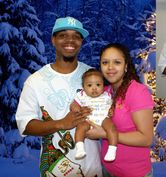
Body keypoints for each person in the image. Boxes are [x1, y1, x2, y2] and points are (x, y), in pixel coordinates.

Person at [15, 16, 103, 177]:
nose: (70, 40)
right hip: (54, 170)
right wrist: (61, 124)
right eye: (63, 35)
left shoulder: (93, 75)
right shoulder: (35, 81)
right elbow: (25, 124)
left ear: (81, 42)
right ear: (53, 40)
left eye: (76, 36)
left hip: (93, 169)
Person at [86, 43, 155, 177]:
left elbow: (146, 138)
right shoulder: (105, 93)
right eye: (105, 62)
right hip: (107, 171)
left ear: (126, 66)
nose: (110, 67)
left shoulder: (137, 92)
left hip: (134, 173)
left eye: (117, 62)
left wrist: (105, 134)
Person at [70, 68, 118, 161]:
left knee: (112, 128)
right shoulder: (81, 95)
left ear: (103, 85)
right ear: (83, 87)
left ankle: (112, 149)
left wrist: (112, 109)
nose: (94, 88)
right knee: (80, 128)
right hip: (88, 120)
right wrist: (78, 109)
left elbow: (113, 104)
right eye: (89, 85)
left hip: (104, 118)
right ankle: (80, 147)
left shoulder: (107, 94)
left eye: (98, 85)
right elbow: (73, 105)